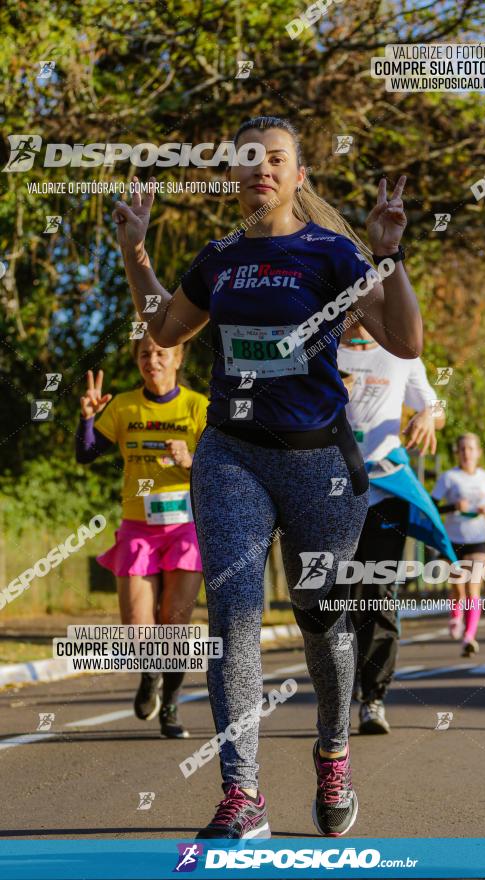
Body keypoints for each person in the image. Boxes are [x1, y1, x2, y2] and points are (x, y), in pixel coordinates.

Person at [112, 115, 423, 838]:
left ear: (297, 176)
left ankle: (333, 750)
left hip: (319, 462)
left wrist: (388, 254)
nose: (261, 169)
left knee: (323, 622)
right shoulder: (218, 259)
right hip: (231, 455)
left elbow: (405, 340)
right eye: (248, 159)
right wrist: (135, 251)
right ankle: (242, 793)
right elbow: (163, 329)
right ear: (235, 177)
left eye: (275, 158)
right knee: (234, 618)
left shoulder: (332, 253)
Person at [75, 336, 208, 737]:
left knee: (174, 621)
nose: (152, 360)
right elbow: (86, 454)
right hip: (138, 527)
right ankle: (150, 674)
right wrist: (86, 418)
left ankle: (171, 705)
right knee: (138, 625)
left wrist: (191, 460)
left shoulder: (198, 407)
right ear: (137, 361)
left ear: (178, 357)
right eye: (145, 354)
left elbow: (222, 472)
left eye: (161, 353)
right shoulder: (125, 406)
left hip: (185, 527)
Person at [338, 321, 447, 734]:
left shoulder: (402, 353)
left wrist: (425, 414)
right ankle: (337, 694)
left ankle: (373, 699)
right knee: (333, 597)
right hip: (332, 491)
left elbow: (437, 409)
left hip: (385, 493)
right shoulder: (320, 349)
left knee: (378, 595)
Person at [431, 434, 485, 657]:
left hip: (479, 541)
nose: (466, 453)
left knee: (473, 586)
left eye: (471, 449)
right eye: (462, 449)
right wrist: (453, 506)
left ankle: (469, 637)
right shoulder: (448, 478)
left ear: (478, 452)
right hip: (453, 541)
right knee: (458, 587)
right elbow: (431, 508)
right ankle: (456, 615)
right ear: (458, 452)